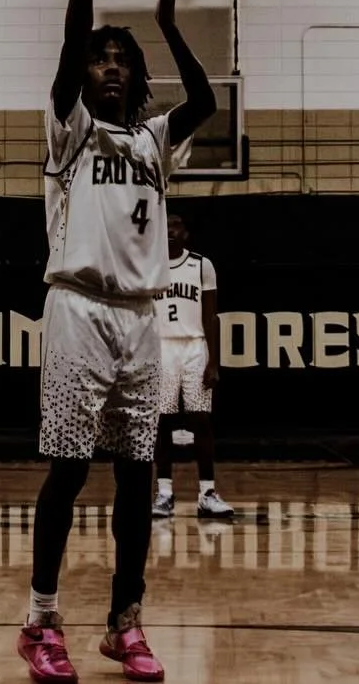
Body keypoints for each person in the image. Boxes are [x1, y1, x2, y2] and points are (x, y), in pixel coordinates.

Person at [18, 0, 217, 684]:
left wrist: (167, 23)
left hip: (140, 319)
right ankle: (41, 619)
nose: (108, 66)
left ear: (135, 76)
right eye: (101, 57)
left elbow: (205, 104)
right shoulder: (70, 133)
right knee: (68, 470)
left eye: (120, 58)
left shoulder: (154, 141)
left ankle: (124, 622)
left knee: (137, 476)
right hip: (76, 308)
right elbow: (68, 60)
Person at [152, 213, 232, 520]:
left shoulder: (201, 265)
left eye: (177, 225)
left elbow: (211, 316)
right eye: (166, 225)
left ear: (186, 233)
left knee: (201, 421)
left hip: (194, 347)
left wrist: (213, 360)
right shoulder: (150, 266)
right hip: (162, 348)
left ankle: (207, 493)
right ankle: (164, 493)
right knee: (162, 423)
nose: (171, 230)